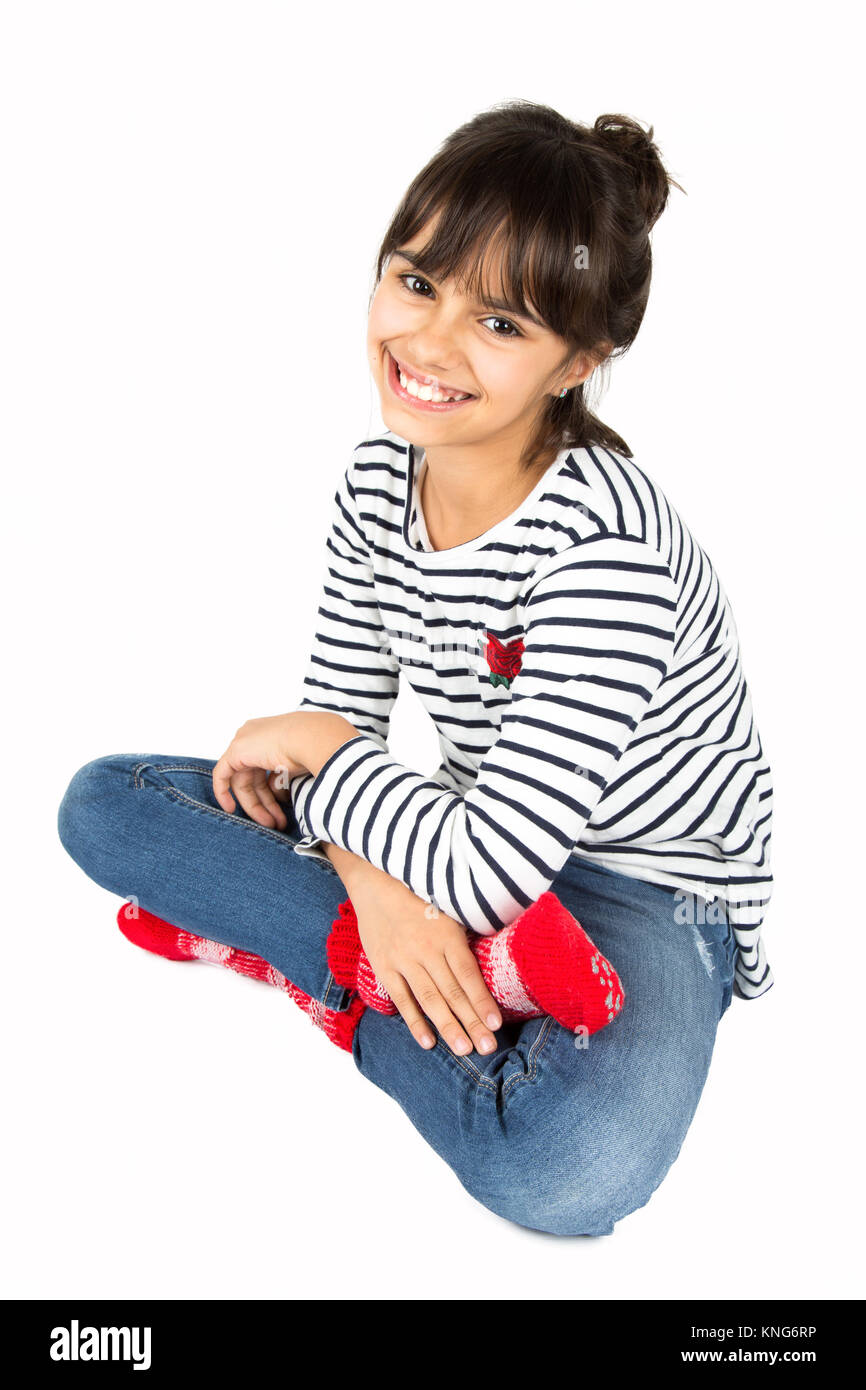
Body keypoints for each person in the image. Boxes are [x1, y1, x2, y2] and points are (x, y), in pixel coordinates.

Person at [57, 101, 773, 1237]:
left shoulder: (609, 553)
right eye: (416, 281)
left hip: (643, 883)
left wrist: (327, 759)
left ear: (578, 361)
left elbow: (366, 773)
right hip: (451, 834)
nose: (428, 344)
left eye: (499, 322)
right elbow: (337, 733)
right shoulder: (374, 480)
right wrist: (379, 893)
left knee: (565, 1172)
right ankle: (388, 960)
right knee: (101, 805)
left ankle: (308, 961)